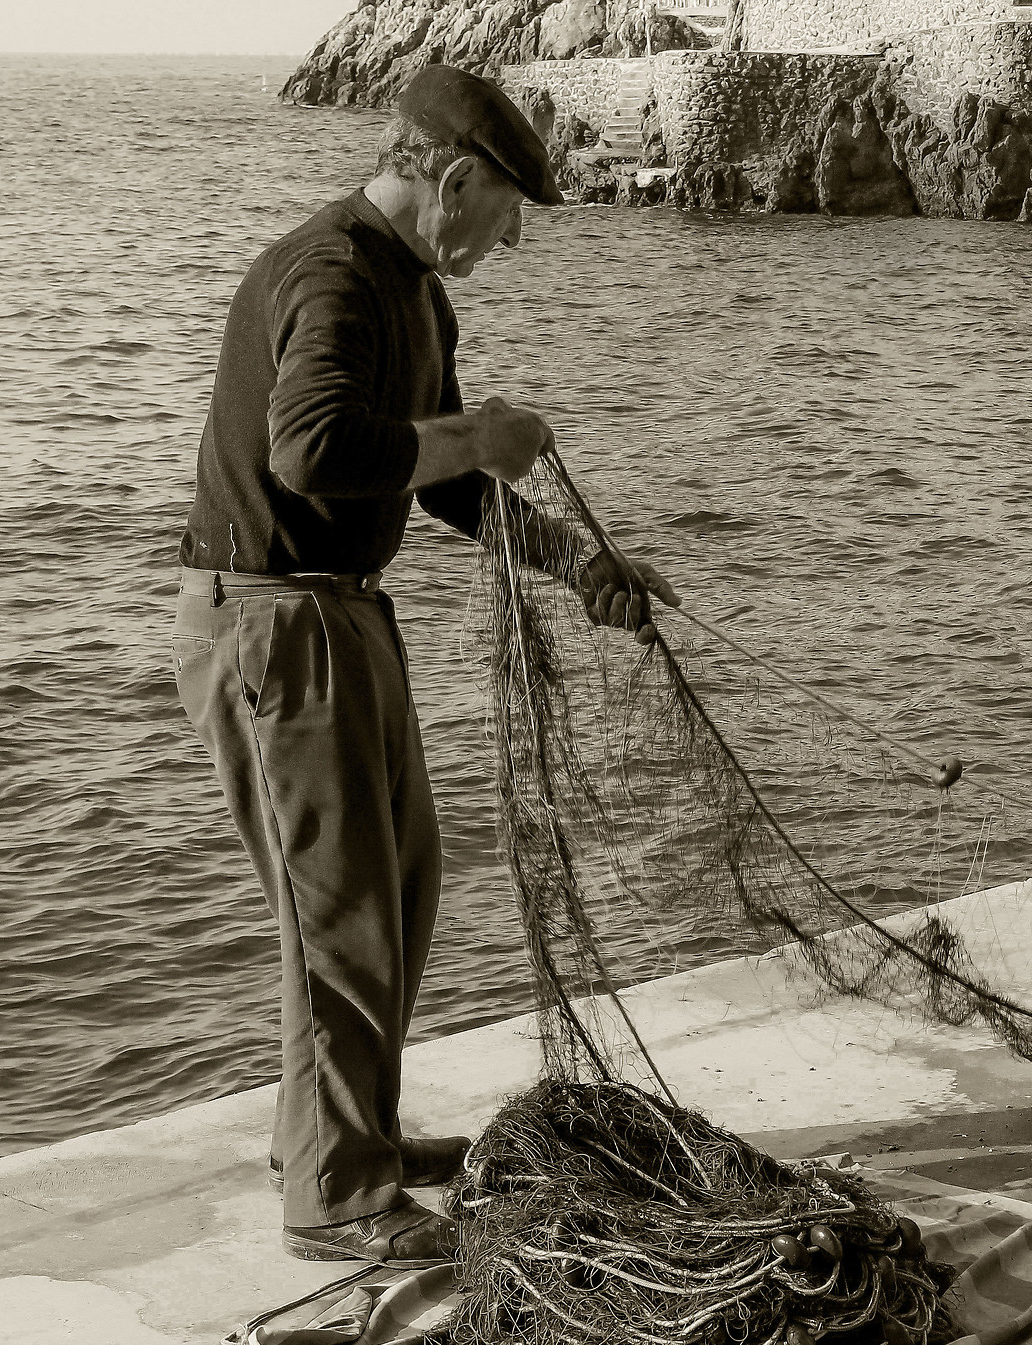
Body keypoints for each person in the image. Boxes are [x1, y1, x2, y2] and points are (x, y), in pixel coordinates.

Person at [172, 63, 677, 1267]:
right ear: (452, 178)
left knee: (396, 890)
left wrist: (573, 560)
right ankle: (335, 1196)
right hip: (276, 624)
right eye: (505, 217)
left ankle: (347, 1142)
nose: (507, 243)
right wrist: (481, 434)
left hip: (341, 616)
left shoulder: (416, 294)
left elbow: (441, 481)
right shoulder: (336, 274)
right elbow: (312, 451)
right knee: (339, 915)